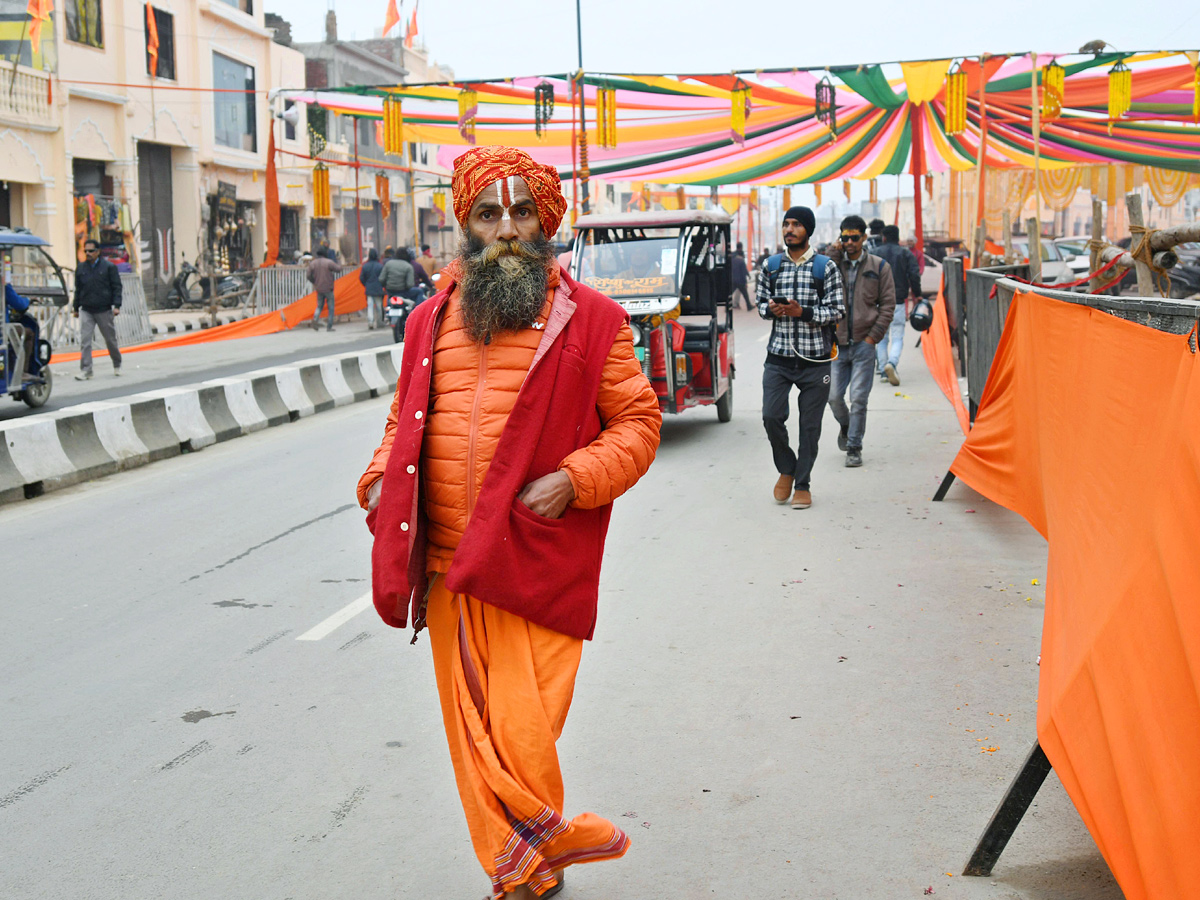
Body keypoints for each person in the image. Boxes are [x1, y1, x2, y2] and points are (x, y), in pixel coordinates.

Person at [358, 145, 661, 899]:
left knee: (524, 731)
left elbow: (638, 424)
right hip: (451, 568)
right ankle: (522, 863)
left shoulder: (595, 321)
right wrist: (376, 479)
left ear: (545, 222)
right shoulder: (429, 320)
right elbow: (405, 420)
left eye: (522, 212)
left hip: (535, 560)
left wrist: (575, 478)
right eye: (489, 213)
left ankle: (534, 838)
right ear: (465, 222)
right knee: (473, 733)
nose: (506, 228)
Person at [757, 206, 846, 509]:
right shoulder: (770, 266)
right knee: (771, 417)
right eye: (786, 224)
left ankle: (803, 485)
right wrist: (773, 309)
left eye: (796, 224)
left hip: (815, 361)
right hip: (778, 358)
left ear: (808, 230)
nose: (789, 229)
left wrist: (802, 312)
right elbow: (759, 305)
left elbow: (837, 311)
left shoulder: (826, 268)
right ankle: (787, 468)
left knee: (809, 427)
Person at [827, 215, 895, 467]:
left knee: (859, 398)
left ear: (864, 237)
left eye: (854, 237)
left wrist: (872, 338)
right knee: (833, 396)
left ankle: (854, 446)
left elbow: (888, 305)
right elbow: (821, 281)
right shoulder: (835, 264)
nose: (849, 242)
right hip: (837, 343)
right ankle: (846, 426)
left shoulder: (879, 267)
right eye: (845, 238)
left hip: (864, 344)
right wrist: (832, 251)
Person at [872, 225, 921, 386]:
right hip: (898, 302)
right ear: (897, 237)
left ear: (884, 237)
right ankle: (891, 364)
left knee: (881, 338)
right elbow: (914, 275)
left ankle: (883, 370)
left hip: (878, 303)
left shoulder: (875, 253)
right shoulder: (905, 254)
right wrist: (917, 294)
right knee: (898, 336)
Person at [73, 238, 123, 380]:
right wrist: (76, 307)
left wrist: (117, 306)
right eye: (86, 251)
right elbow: (78, 289)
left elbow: (116, 287)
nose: (88, 253)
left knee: (110, 339)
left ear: (98, 251)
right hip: (86, 309)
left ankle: (117, 363)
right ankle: (86, 370)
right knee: (85, 341)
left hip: (103, 309)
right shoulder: (81, 268)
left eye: (91, 251)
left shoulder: (108, 267)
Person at [5, 283, 42, 377]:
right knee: (29, 334)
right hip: (3, 330)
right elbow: (19, 304)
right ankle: (22, 372)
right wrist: (28, 300)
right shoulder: (3, 286)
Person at [307, 247, 341, 331]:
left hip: (318, 288)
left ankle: (315, 319)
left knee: (319, 306)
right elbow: (338, 269)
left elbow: (308, 275)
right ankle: (329, 326)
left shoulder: (313, 263)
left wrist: (314, 281)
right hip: (328, 288)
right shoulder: (329, 262)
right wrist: (339, 260)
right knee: (331, 307)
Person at [359, 248, 385, 329]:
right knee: (379, 306)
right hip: (378, 288)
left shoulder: (365, 266)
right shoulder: (380, 266)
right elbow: (383, 277)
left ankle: (370, 322)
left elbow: (361, 278)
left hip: (369, 289)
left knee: (370, 306)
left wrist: (366, 284)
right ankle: (379, 322)